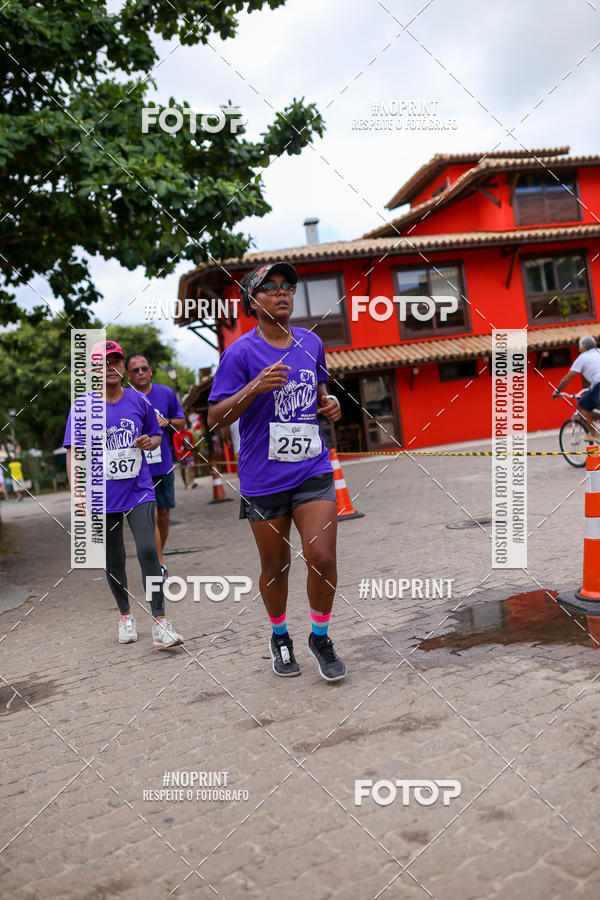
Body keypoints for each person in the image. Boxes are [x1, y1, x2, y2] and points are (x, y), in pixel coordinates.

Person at [207, 262, 345, 682]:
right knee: (276, 565)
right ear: (253, 300)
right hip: (262, 478)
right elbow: (214, 417)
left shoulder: (311, 342)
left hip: (311, 469)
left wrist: (330, 406)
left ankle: (319, 637)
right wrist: (254, 387)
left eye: (288, 287)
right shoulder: (239, 353)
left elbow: (320, 393)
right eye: (270, 288)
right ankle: (280, 635)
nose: (283, 293)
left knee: (321, 556)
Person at [63, 340, 183, 649]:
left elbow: (156, 434)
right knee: (113, 559)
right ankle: (126, 615)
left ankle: (160, 620)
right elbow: (75, 452)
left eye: (116, 362)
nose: (111, 368)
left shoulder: (138, 401)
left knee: (147, 550)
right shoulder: (82, 407)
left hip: (139, 490)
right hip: (102, 497)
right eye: (104, 363)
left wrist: (151, 442)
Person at [125, 354, 186, 580]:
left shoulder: (166, 393)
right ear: (128, 375)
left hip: (163, 464)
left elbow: (182, 422)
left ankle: (160, 555)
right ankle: (158, 563)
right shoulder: (124, 397)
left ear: (150, 371)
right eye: (135, 370)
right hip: (138, 468)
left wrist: (167, 422)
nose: (140, 373)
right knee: (149, 515)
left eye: (144, 369)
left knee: (163, 514)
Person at [553, 335, 600, 438]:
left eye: (580, 346)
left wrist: (557, 390)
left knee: (581, 405)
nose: (579, 349)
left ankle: (594, 433)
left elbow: (568, 378)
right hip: (597, 386)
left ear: (583, 347)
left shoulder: (582, 357)